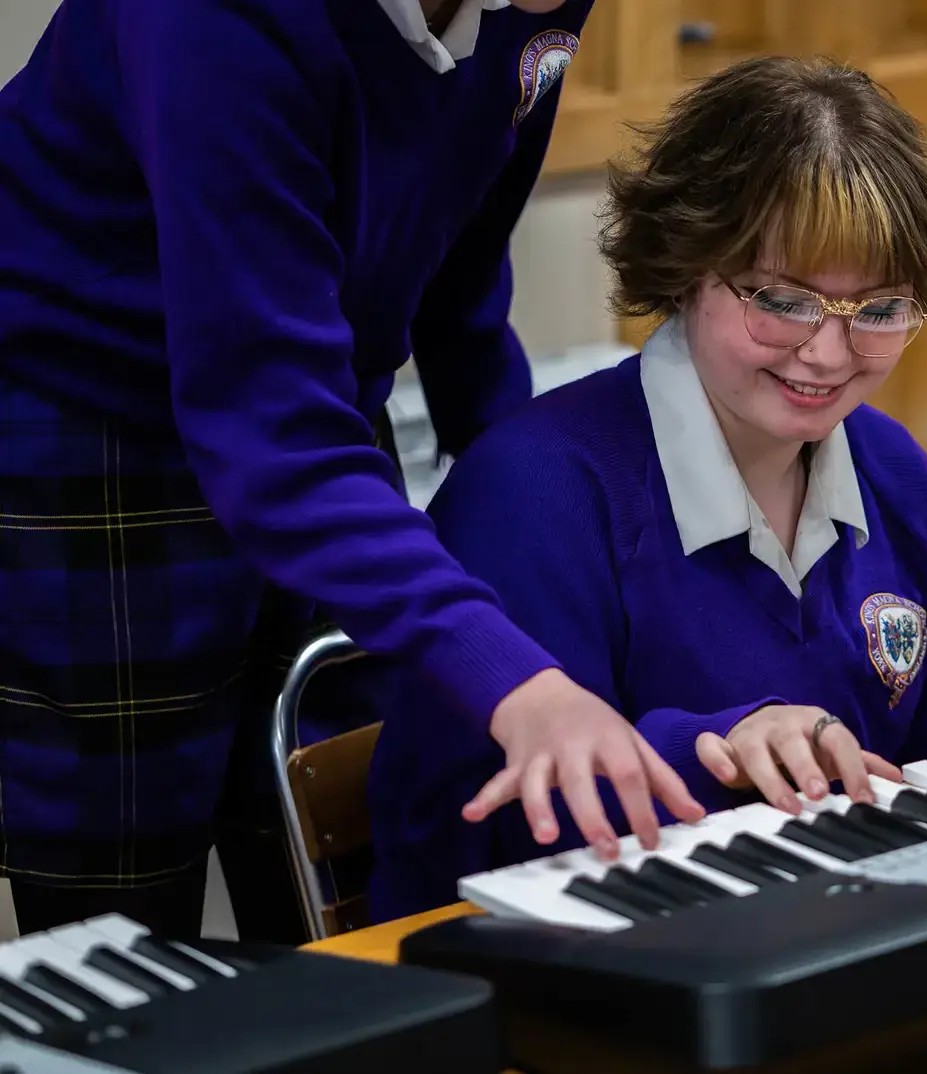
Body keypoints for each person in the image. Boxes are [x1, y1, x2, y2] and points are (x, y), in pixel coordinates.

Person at [0, 0, 705, 943]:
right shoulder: (212, 20)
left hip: (308, 399)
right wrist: (517, 683)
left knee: (333, 864)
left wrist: (544, 500)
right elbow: (271, 429)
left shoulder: (528, 6)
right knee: (129, 918)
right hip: (87, 410)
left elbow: (458, 263)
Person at [362, 54, 927, 922]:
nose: (828, 355)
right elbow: (493, 838)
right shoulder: (534, 493)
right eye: (783, 299)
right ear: (690, 266)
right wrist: (720, 748)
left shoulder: (891, 469)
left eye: (879, 312)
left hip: (822, 936)